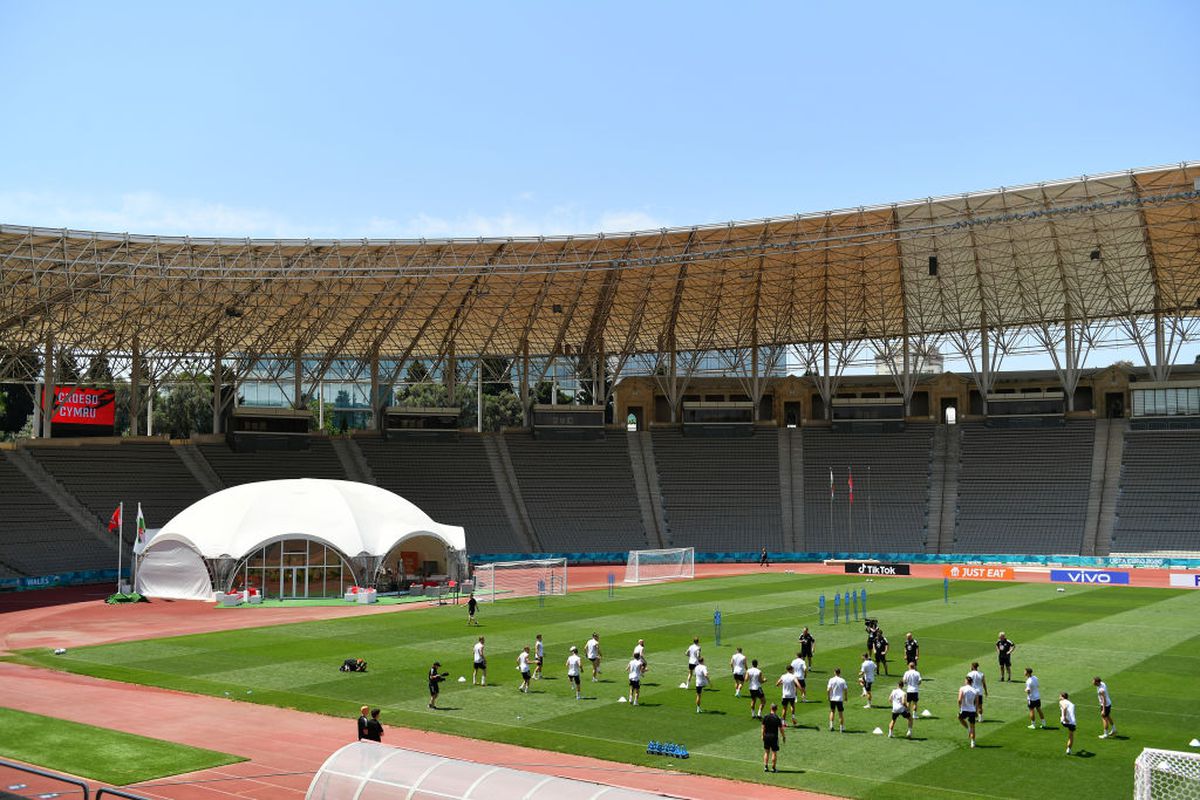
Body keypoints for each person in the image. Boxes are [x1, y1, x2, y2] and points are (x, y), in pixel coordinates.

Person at [958, 674, 980, 749]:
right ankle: (973, 743)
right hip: (972, 710)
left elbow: (959, 700)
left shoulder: (962, 688)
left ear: (967, 681)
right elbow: (977, 703)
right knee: (973, 727)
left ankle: (968, 729)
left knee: (959, 717)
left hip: (964, 709)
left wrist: (960, 707)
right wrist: (976, 712)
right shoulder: (975, 691)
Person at [761, 703, 785, 772]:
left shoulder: (766, 716)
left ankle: (765, 767)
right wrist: (783, 736)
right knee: (774, 752)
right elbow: (781, 729)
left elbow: (763, 728)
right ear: (776, 709)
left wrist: (762, 735)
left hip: (766, 736)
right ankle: (773, 768)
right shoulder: (777, 718)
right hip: (774, 737)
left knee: (766, 752)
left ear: (770, 708)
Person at [827, 667, 848, 732]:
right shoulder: (842, 680)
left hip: (832, 698)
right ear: (840, 673)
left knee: (832, 711)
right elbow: (845, 689)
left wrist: (828, 697)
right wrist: (846, 697)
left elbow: (828, 689)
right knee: (840, 713)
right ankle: (841, 728)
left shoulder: (831, 679)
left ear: (834, 672)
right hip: (839, 699)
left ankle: (831, 726)